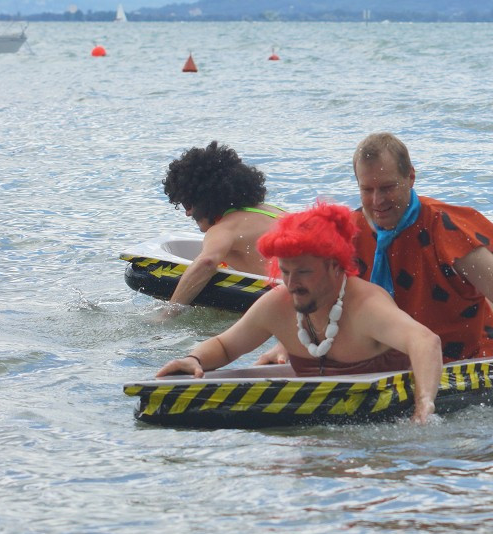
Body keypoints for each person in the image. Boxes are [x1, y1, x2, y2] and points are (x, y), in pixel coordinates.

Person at [156, 202, 443, 423]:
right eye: (285, 271)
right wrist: (193, 359)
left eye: (304, 272)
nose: (292, 284)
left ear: (334, 266)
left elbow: (426, 341)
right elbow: (225, 345)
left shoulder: (367, 306)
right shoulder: (278, 304)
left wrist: (424, 403)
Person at [351, 133, 493, 387]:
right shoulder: (347, 232)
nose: (377, 201)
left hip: (464, 364)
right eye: (367, 190)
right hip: (384, 364)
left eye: (387, 188)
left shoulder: (447, 229)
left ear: (410, 177)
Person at [160, 141, 286, 316]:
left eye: (188, 204)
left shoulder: (224, 229)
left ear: (206, 198)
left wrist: (168, 313)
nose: (187, 213)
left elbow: (206, 263)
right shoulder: (273, 211)